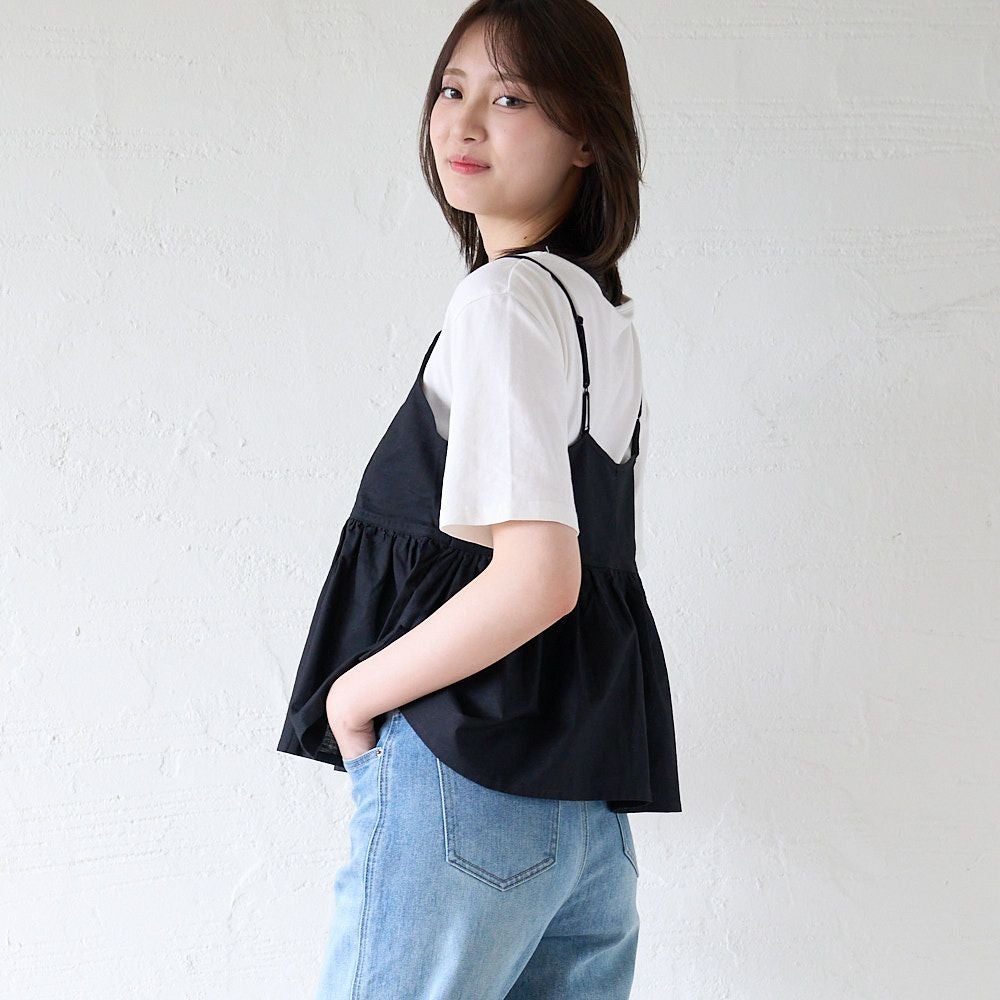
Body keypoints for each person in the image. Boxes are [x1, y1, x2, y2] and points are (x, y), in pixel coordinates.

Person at [275, 2, 682, 997]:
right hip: (584, 820)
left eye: (511, 98)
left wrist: (351, 697)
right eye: (452, 89)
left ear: (587, 137)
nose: (462, 122)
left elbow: (541, 577)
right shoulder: (599, 312)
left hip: (466, 778)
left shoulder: (501, 301)